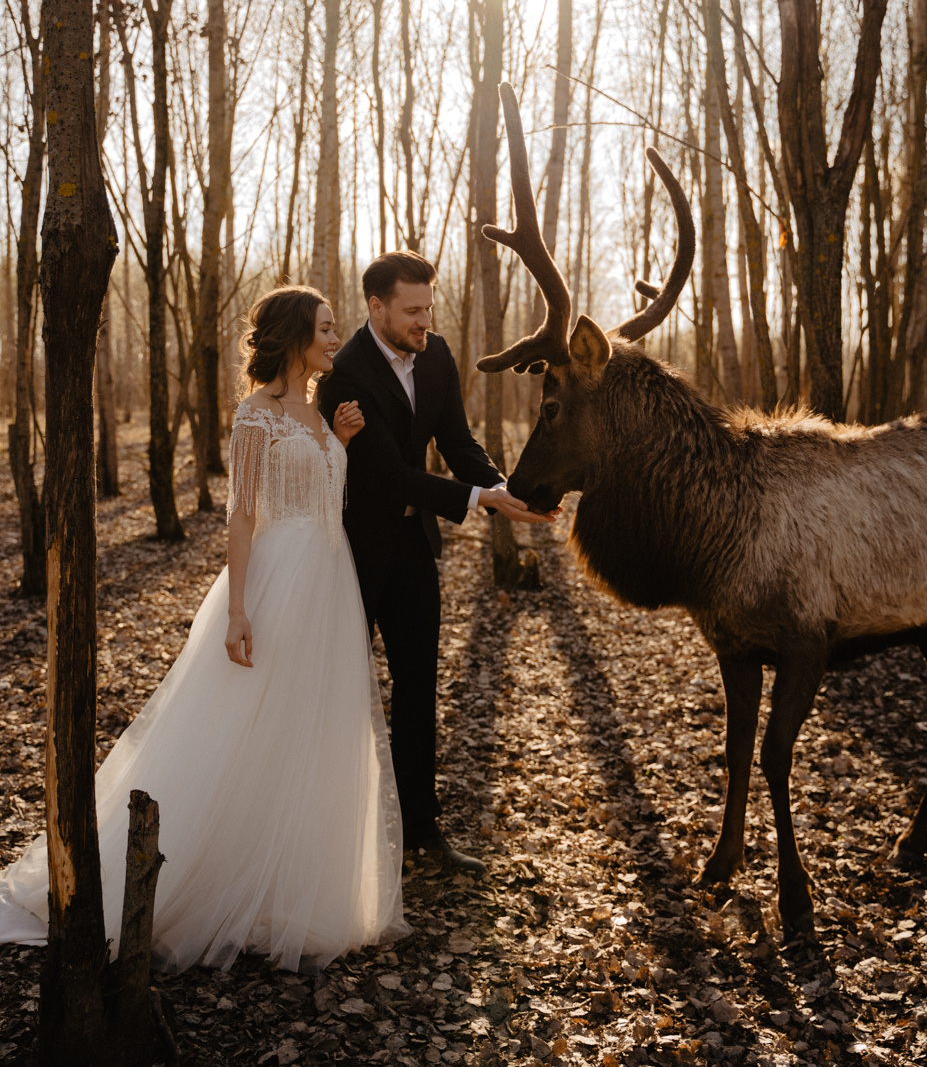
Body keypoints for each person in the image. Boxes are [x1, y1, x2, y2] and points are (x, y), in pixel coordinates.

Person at [0, 285, 407, 972]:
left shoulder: (318, 411)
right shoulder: (255, 414)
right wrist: (239, 608)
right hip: (278, 583)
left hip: (331, 585)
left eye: (335, 327)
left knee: (310, 726)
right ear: (293, 335)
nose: (335, 338)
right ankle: (198, 877)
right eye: (325, 328)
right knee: (248, 723)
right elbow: (243, 514)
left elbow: (322, 498)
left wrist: (337, 443)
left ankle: (287, 886)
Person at [318, 251, 555, 872]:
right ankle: (337, 841)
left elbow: (456, 441)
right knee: (343, 692)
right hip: (350, 550)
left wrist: (503, 489)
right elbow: (389, 476)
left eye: (429, 307)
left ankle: (422, 832)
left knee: (418, 687)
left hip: (413, 546)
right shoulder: (343, 374)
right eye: (412, 310)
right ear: (377, 307)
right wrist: (480, 500)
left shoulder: (437, 353)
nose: (425, 321)